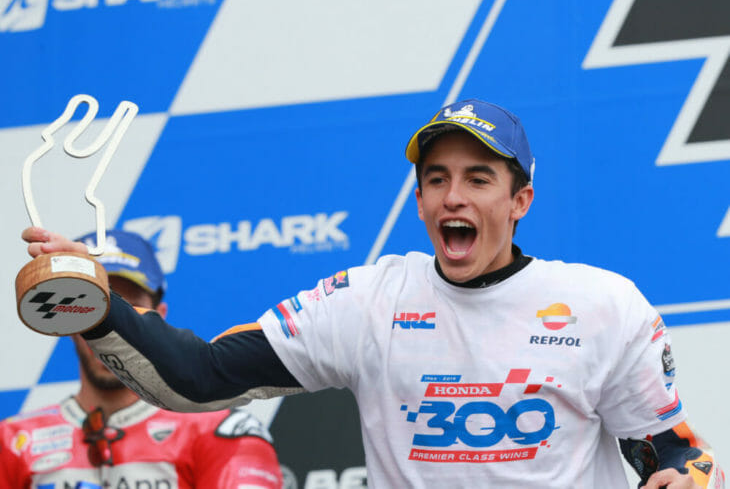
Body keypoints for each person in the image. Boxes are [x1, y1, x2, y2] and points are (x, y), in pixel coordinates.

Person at [21, 100, 723, 488]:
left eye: (479, 178)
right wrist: (98, 302)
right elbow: (198, 378)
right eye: (437, 179)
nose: (454, 196)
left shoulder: (602, 305)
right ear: (419, 201)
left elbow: (671, 451)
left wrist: (689, 476)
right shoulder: (369, 301)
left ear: (521, 201)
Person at [2, 230, 283, 488]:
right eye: (92, 307)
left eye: (127, 311)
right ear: (67, 318)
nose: (110, 328)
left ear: (158, 317)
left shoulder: (218, 430)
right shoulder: (13, 441)